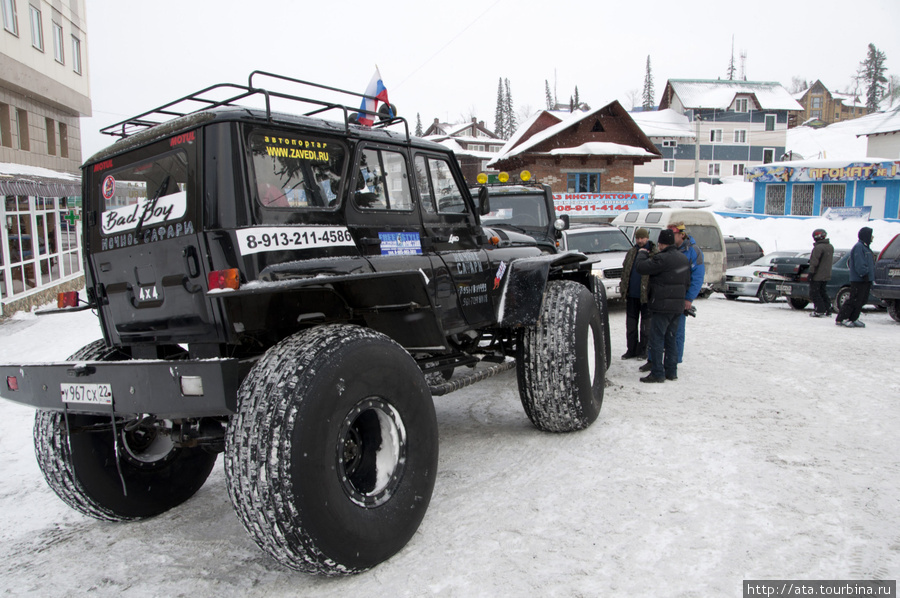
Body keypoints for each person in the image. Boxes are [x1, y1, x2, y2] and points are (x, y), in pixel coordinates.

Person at [635, 228, 691, 383]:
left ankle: (658, 372)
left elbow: (641, 268)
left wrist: (642, 253)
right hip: (677, 306)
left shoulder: (661, 259)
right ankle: (671, 371)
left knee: (657, 339)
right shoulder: (683, 259)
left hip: (661, 306)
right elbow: (687, 281)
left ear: (660, 243)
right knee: (671, 338)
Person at [669, 222, 704, 363]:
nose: (671, 238)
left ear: (682, 235)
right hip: (667, 296)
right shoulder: (669, 249)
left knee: (677, 331)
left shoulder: (694, 252)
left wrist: (689, 298)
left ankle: (675, 360)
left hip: (682, 297)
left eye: (674, 235)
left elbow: (698, 277)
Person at [619, 228, 655, 360]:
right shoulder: (631, 252)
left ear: (647, 238)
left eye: (642, 238)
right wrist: (624, 289)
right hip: (632, 295)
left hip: (646, 296)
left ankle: (644, 350)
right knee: (631, 325)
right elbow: (625, 272)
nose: (640, 241)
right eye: (638, 238)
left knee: (646, 327)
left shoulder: (653, 253)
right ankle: (631, 350)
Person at [835, 226, 876, 328]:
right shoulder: (859, 247)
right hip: (859, 279)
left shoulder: (865, 247)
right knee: (854, 299)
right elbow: (860, 263)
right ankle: (842, 318)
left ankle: (853, 318)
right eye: (871, 235)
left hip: (866, 279)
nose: (873, 237)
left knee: (862, 300)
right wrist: (864, 273)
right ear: (866, 236)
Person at [807, 228, 834, 317]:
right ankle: (827, 309)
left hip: (818, 274)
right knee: (822, 292)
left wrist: (811, 273)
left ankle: (820, 309)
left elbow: (814, 262)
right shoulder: (830, 246)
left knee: (814, 292)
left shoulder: (818, 247)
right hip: (826, 274)